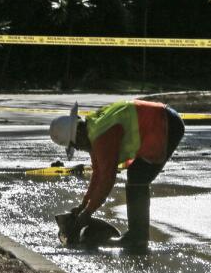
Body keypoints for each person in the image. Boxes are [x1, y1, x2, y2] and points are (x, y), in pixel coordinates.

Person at [49, 99, 185, 251]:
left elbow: (107, 178)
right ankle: (137, 236)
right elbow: (98, 174)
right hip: (162, 119)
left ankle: (138, 238)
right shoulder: (93, 129)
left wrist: (87, 214)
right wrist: (83, 205)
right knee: (137, 175)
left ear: (79, 133)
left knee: (137, 176)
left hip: (164, 123)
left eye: (76, 145)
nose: (79, 149)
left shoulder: (101, 135)